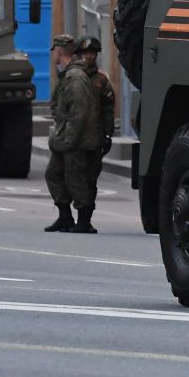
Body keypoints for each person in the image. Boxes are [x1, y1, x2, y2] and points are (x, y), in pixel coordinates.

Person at [43, 34, 101, 233]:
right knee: (54, 175)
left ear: (59, 51)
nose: (53, 56)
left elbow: (79, 111)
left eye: (54, 52)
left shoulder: (75, 77)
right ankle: (65, 217)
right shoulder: (68, 74)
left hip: (76, 141)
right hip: (64, 138)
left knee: (76, 179)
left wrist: (70, 140)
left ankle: (84, 221)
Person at [77, 36, 114, 232]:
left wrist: (108, 135)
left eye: (92, 53)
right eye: (85, 53)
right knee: (73, 177)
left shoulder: (101, 80)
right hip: (75, 137)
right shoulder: (73, 77)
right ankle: (67, 216)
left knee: (90, 179)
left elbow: (108, 109)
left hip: (94, 138)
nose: (89, 57)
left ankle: (85, 218)